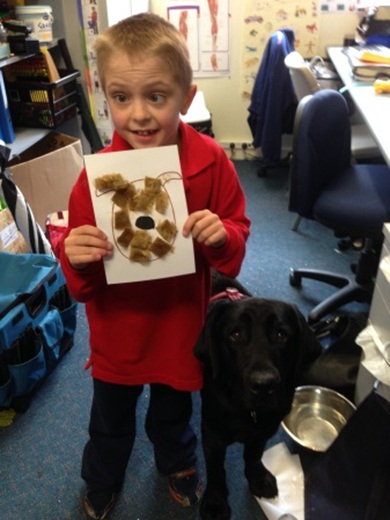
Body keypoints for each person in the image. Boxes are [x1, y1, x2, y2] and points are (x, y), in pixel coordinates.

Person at [60, 12, 250, 520]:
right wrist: (75, 257)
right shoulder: (95, 181)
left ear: (186, 99)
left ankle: (178, 462)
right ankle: (101, 479)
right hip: (118, 333)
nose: (138, 115)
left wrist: (221, 235)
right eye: (121, 97)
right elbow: (81, 286)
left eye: (157, 97)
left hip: (178, 326)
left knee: (173, 411)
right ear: (105, 96)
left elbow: (235, 246)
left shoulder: (213, 163)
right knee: (109, 420)